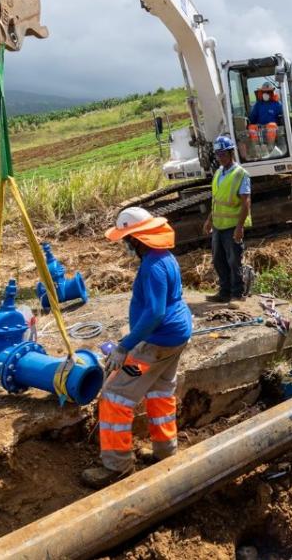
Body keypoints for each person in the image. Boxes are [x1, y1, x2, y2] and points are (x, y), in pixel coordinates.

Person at [82, 207, 193, 488]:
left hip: (155, 345)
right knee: (160, 391)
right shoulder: (165, 258)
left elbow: (155, 313)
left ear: (138, 238)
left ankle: (117, 466)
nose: (126, 245)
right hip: (175, 338)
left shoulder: (152, 266)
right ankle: (165, 452)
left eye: (127, 239)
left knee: (115, 395)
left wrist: (125, 346)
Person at [203, 135, 251, 303]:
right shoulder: (218, 173)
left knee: (234, 261)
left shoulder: (240, 174)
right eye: (218, 154)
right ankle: (224, 293)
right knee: (219, 260)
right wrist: (209, 220)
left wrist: (239, 227)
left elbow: (245, 203)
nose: (220, 158)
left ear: (231, 153)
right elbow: (216, 200)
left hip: (232, 226)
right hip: (218, 225)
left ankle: (237, 294)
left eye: (223, 154)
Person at [246, 82, 283, 159]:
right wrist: (252, 122)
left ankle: (270, 149)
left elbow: (283, 116)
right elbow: (252, 118)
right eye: (264, 92)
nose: (266, 94)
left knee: (271, 126)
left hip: (273, 129)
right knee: (252, 127)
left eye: (268, 92)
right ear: (261, 93)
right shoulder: (258, 105)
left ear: (272, 93)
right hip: (260, 128)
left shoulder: (277, 104)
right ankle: (256, 150)